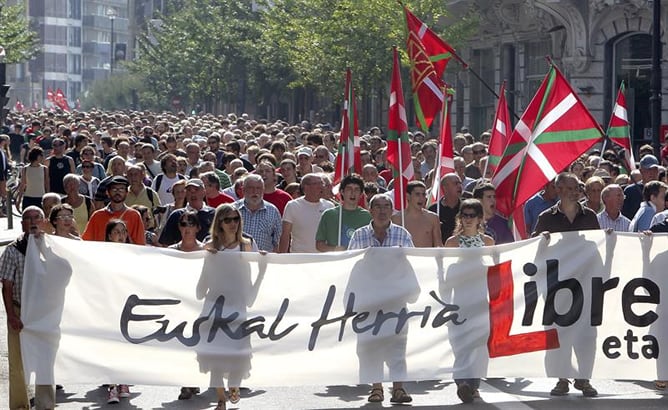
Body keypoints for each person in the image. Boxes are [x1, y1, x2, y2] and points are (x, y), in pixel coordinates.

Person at [533, 172, 600, 398]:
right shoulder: (546, 218)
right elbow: (535, 253)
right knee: (557, 333)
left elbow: (598, 246)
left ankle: (584, 378)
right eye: (570, 188)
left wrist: (608, 239)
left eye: (577, 188)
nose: (575, 192)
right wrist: (541, 241)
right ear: (559, 190)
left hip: (584, 285)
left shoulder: (590, 216)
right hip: (556, 287)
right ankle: (561, 379)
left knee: (586, 334)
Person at [347, 193, 414, 404]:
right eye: (378, 206)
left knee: (398, 346)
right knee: (370, 347)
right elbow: (351, 264)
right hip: (369, 301)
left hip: (396, 300)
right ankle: (376, 388)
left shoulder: (402, 235)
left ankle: (398, 389)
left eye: (387, 206)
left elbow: (412, 264)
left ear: (392, 210)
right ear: (370, 210)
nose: (383, 210)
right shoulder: (359, 236)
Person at [1, 207, 56, 410]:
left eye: (37, 218)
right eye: (27, 218)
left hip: (44, 313)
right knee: (18, 362)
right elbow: (6, 286)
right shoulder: (13, 250)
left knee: (45, 362)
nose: (32, 222)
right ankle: (19, 405)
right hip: (19, 311)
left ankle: (45, 404)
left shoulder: (52, 248)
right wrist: (10, 316)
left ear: (44, 221)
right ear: (22, 224)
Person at [444, 199, 494, 403]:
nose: (467, 219)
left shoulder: (488, 242)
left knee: (479, 344)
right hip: (460, 300)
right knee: (460, 343)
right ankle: (462, 383)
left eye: (471, 215)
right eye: (464, 215)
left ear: (480, 218)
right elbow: (445, 274)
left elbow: (496, 269)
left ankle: (474, 385)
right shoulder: (452, 243)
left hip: (481, 300)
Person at [103, 219, 132, 402]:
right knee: (109, 345)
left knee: (125, 344)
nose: (121, 235)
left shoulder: (133, 254)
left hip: (127, 305)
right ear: (109, 235)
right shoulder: (102, 254)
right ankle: (112, 386)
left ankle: (124, 381)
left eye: (123, 231)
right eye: (116, 231)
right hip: (108, 305)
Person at [82, 176, 146, 245]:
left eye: (121, 189)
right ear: (107, 193)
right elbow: (86, 242)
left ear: (127, 193)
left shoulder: (134, 215)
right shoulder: (97, 216)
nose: (118, 192)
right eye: (114, 189)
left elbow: (140, 244)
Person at [280, 173, 334, 253]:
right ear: (306, 187)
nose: (321, 186)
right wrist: (282, 257)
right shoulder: (292, 206)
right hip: (300, 258)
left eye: (322, 183)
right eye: (316, 184)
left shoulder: (329, 206)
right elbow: (285, 234)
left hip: (323, 259)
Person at [316, 174, 371, 251]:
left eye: (356, 189)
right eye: (349, 189)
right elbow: (319, 245)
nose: (353, 193)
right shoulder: (329, 214)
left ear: (361, 194)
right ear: (342, 192)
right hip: (336, 261)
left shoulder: (367, 217)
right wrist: (334, 249)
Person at [158, 178, 215, 246]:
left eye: (196, 189)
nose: (192, 193)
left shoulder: (214, 214)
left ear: (204, 192)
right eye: (189, 190)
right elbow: (165, 243)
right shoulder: (176, 215)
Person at [234, 175, 282, 252]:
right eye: (251, 188)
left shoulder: (273, 211)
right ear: (243, 190)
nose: (255, 192)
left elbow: (278, 240)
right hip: (237, 259)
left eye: (258, 188)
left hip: (263, 260)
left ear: (263, 190)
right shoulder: (233, 210)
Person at [391, 180, 442, 247]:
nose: (421, 198)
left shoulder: (432, 218)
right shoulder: (397, 219)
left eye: (423, 194)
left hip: (426, 256)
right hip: (404, 257)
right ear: (408, 196)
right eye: (417, 194)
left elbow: (438, 245)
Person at [428, 173, 463, 244]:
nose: (459, 186)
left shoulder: (466, 207)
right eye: (456, 184)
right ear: (445, 187)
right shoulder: (434, 209)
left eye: (460, 183)